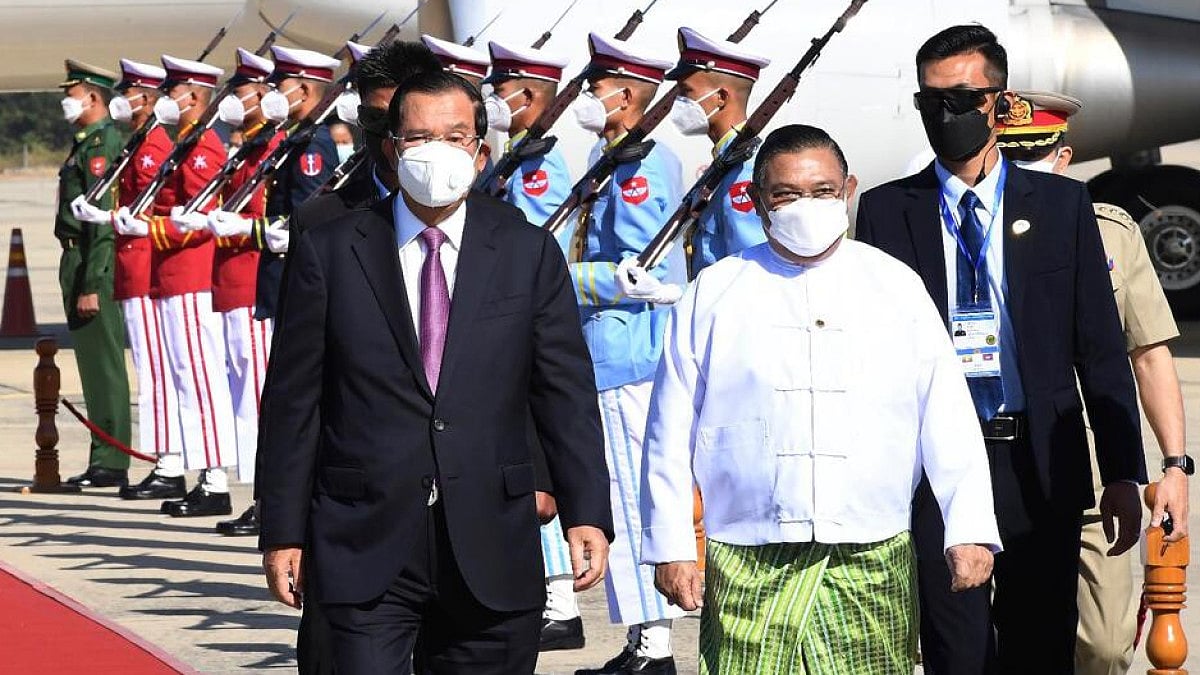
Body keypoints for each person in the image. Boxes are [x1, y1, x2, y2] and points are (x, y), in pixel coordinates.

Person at [256, 68, 614, 673]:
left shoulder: (526, 251)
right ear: (392, 149)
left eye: (455, 137)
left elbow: (564, 393)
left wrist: (587, 512)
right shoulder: (332, 249)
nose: (437, 151)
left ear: (480, 152)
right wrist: (282, 531)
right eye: (420, 138)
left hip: (490, 542)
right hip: (361, 540)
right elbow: (295, 401)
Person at [640, 123, 1000, 673]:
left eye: (823, 191)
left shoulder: (895, 285)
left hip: (870, 551)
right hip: (748, 555)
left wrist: (969, 527)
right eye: (786, 194)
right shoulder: (715, 290)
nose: (806, 206)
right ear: (759, 201)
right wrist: (671, 546)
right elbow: (669, 429)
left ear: (848, 191)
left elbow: (947, 416)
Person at [854, 25, 1147, 675]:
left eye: (962, 99)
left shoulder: (1063, 206)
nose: (945, 114)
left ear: (999, 104)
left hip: (1036, 462)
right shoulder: (886, 212)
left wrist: (1124, 472)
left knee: (1039, 649)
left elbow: (1100, 350)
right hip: (936, 467)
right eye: (931, 100)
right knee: (956, 651)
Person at [996, 90, 1191, 675]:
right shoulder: (968, 229)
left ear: (1064, 157)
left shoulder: (1110, 231)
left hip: (1087, 468)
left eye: (1033, 155)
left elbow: (1149, 353)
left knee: (1104, 645)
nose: (1021, 168)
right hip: (992, 461)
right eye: (1008, 154)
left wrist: (1175, 467)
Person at [563, 33, 685, 675]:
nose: (588, 96)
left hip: (628, 349)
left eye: (598, 87)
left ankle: (654, 646)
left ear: (629, 95)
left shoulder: (641, 167)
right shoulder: (610, 156)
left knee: (633, 498)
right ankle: (644, 637)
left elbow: (638, 271)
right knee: (621, 494)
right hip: (608, 346)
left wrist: (569, 280)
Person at [114, 55, 236, 517]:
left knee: (198, 378)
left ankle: (215, 480)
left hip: (189, 273)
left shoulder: (202, 146)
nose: (166, 98)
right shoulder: (185, 143)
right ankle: (200, 474)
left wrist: (150, 228)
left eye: (173, 91)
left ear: (195, 97)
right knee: (183, 376)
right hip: (170, 274)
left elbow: (201, 218)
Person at [69, 58, 184, 499]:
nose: (124, 100)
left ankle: (169, 466)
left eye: (131, 93)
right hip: (132, 268)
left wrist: (115, 220)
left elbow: (155, 210)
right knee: (151, 373)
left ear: (147, 100)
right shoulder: (138, 142)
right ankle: (166, 464)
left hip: (144, 267)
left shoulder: (152, 146)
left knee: (158, 373)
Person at [191, 47, 285, 535]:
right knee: (241, 395)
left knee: (257, 397)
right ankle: (254, 493)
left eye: (241, 90)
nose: (234, 98)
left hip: (251, 281)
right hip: (230, 281)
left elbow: (270, 220)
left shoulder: (273, 147)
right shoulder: (249, 145)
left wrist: (241, 228)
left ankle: (266, 498)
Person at [54, 59, 132, 489]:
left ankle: (111, 460)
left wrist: (91, 284)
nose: (66, 102)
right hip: (76, 258)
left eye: (72, 94)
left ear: (93, 97)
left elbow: (101, 224)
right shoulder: (85, 143)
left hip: (92, 263)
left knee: (104, 366)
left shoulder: (103, 145)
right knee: (92, 364)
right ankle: (103, 455)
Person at [664, 27, 770, 280]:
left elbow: (749, 267)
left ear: (721, 97)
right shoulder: (725, 161)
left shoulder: (745, 169)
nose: (679, 101)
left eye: (686, 92)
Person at [251, 45, 340, 322]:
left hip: (298, 281)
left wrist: (250, 229)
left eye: (279, 87)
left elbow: (312, 213)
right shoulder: (298, 138)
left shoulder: (313, 144)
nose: (272, 95)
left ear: (303, 91)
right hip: (284, 280)